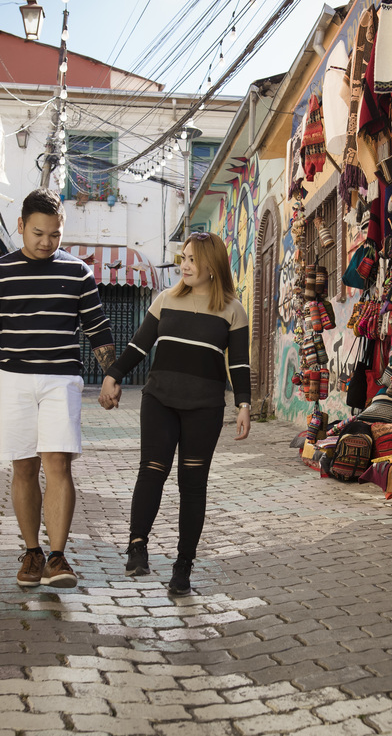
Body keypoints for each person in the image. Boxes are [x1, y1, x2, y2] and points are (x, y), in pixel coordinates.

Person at [0, 189, 116, 589]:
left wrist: (110, 375)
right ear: (21, 226)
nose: (46, 242)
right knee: (24, 466)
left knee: (58, 463)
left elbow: (98, 329)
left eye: (54, 234)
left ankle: (57, 557)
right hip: (13, 378)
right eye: (38, 233)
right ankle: (32, 552)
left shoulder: (78, 273)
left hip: (61, 379)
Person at [100, 232, 251, 596]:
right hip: (160, 401)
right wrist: (112, 375)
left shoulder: (233, 309)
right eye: (184, 258)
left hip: (205, 408)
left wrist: (244, 404)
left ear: (213, 266)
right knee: (152, 470)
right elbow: (139, 345)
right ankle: (137, 546)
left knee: (192, 484)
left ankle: (183, 566)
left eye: (193, 260)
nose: (185, 265)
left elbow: (239, 363)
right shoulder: (166, 299)